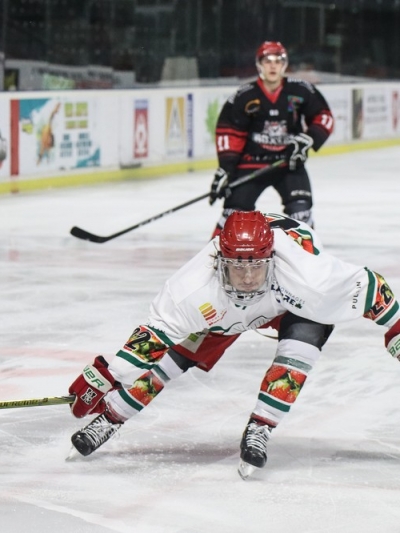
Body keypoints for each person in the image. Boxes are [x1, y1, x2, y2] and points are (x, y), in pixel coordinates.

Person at [67, 211, 400, 479]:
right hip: (224, 313)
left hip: (287, 303)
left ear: (272, 258)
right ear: (219, 260)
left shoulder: (307, 277)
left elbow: (370, 287)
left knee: (300, 349)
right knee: (171, 360)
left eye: (256, 266)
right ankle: (111, 418)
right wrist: (108, 375)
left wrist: (396, 329)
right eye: (237, 267)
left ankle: (261, 426)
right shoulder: (195, 289)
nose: (247, 278)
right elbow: (154, 336)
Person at [209, 42, 335, 236]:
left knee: (301, 214)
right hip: (252, 165)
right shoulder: (245, 95)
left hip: (289, 164)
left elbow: (323, 117)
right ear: (259, 65)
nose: (273, 66)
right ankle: (214, 260)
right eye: (267, 61)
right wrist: (226, 167)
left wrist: (308, 139)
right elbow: (230, 132)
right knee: (233, 216)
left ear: (285, 64)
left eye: (278, 60)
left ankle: (308, 263)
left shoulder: (300, 90)